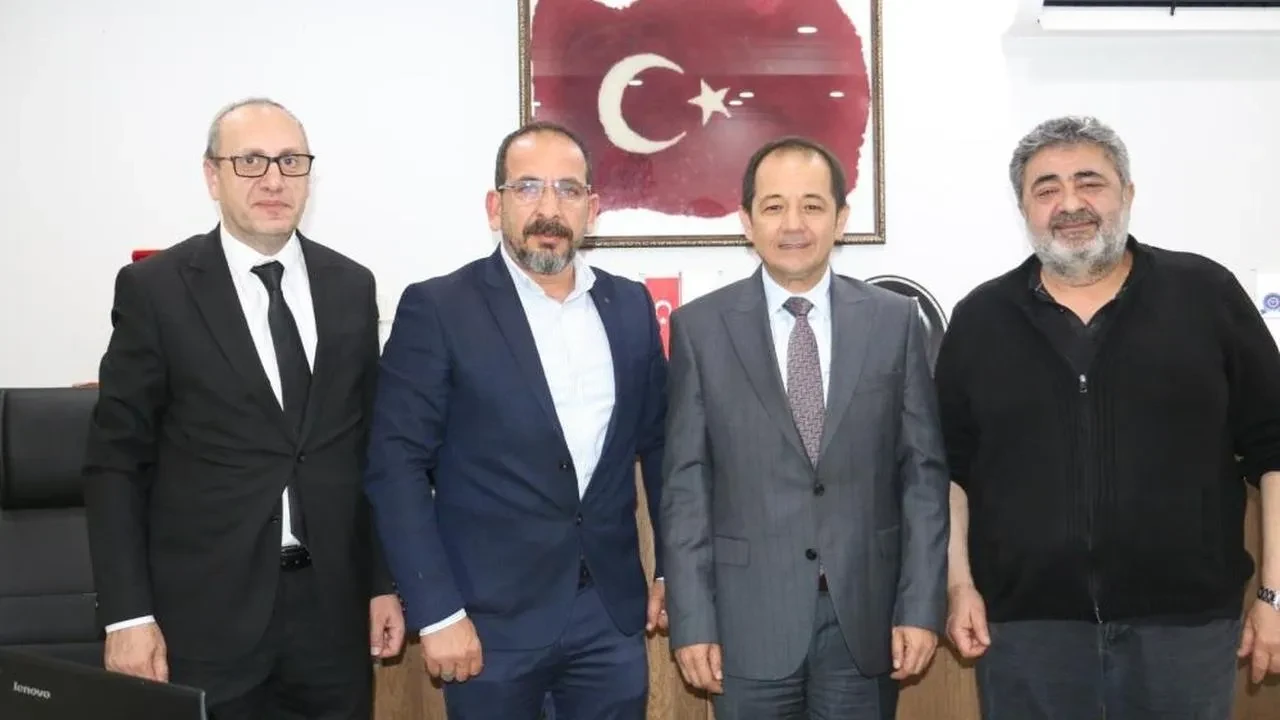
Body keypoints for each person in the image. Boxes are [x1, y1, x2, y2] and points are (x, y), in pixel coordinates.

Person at [936, 115, 1280, 719]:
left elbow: (1273, 448)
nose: (1070, 204)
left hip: (1186, 632)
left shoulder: (1206, 295)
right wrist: (958, 585)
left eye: (1089, 182)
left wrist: (1274, 596)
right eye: (1046, 188)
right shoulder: (980, 318)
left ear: (1128, 193)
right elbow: (949, 470)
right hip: (1026, 634)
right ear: (1023, 208)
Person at [82, 97, 404, 720]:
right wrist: (126, 615)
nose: (274, 180)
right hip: (203, 620)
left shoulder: (351, 286)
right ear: (213, 175)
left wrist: (380, 582)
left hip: (332, 621)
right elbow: (115, 462)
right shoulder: (156, 290)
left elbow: (366, 449)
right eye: (250, 161)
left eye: (291, 161)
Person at [362, 120, 668, 719]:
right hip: (485, 626)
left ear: (592, 210)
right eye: (528, 188)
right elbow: (395, 466)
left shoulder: (630, 306)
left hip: (609, 619)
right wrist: (437, 612)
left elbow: (661, 447)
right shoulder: (439, 308)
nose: (548, 208)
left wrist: (671, 575)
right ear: (493, 205)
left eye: (568, 190)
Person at [659, 136, 950, 719]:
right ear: (747, 222)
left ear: (840, 219)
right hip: (746, 625)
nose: (793, 224)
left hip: (865, 619)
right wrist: (692, 620)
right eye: (774, 206)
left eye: (813, 205)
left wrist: (921, 606)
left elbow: (922, 476)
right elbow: (686, 488)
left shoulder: (895, 322)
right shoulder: (700, 329)